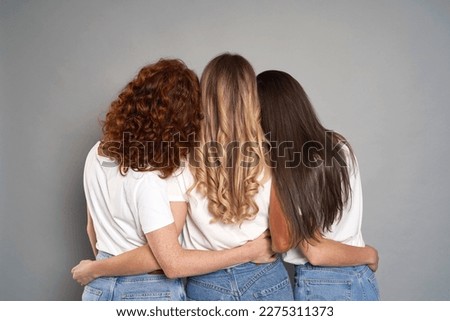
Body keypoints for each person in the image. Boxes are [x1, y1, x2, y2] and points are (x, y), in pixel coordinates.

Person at [75, 58, 275, 301]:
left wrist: (99, 268)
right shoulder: (151, 177)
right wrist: (249, 251)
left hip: (98, 291)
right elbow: (166, 260)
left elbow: (92, 229)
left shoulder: (96, 154)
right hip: (149, 291)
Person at [256, 70, 380, 301]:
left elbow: (315, 251)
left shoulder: (288, 166)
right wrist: (367, 254)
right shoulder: (339, 145)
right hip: (360, 279)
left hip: (322, 284)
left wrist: (370, 254)